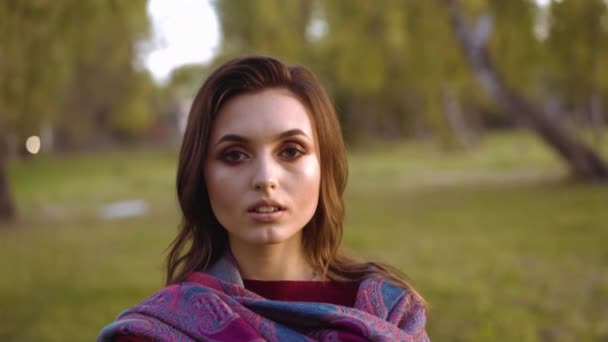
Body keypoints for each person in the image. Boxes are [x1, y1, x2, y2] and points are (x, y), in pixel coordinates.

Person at [98, 55, 429, 341]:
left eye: (290, 151)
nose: (266, 179)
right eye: (235, 155)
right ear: (201, 175)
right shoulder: (154, 334)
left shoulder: (391, 313)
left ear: (324, 166)